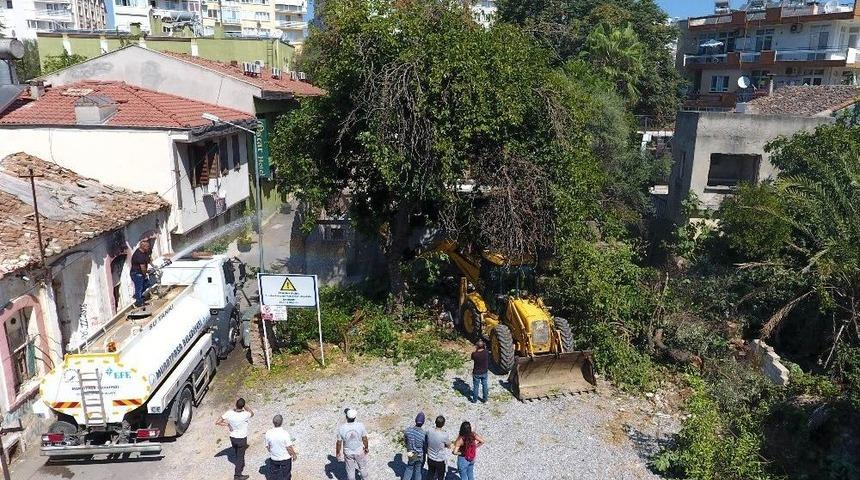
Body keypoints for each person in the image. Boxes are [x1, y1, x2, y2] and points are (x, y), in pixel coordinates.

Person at [216, 397, 255, 480]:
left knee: (237, 452)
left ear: (236, 404)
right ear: (243, 406)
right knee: (240, 457)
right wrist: (245, 406)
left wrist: (227, 424)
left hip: (233, 437)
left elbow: (218, 422)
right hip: (241, 438)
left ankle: (238, 461)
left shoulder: (229, 413)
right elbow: (252, 413)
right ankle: (237, 475)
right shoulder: (245, 414)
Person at [336, 408, 370, 480]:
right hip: (359, 451)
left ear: (346, 417)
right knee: (362, 467)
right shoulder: (360, 425)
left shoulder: (341, 428)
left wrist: (338, 452)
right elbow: (364, 438)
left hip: (348, 452)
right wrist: (366, 447)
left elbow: (339, 443)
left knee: (350, 470)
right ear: (355, 417)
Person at [265, 414, 298, 480]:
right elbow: (289, 448)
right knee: (286, 476)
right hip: (285, 458)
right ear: (282, 422)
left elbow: (268, 447)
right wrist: (294, 455)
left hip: (274, 458)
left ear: (273, 422)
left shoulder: (268, 433)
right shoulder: (285, 433)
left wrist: (273, 452)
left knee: (274, 476)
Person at [402, 412, 426, 480]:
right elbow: (425, 446)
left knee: (409, 467)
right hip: (419, 454)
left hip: (410, 453)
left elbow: (405, 441)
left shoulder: (407, 431)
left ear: (415, 420)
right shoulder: (423, 434)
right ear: (423, 422)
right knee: (418, 470)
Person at [425, 415, 450, 480]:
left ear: (435, 422)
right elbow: (448, 445)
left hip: (430, 457)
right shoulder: (444, 435)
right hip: (439, 459)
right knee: (440, 476)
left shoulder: (429, 431)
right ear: (443, 424)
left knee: (430, 473)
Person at [130, 239, 153, 307]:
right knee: (139, 287)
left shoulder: (145, 252)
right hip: (136, 274)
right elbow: (142, 268)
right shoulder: (139, 255)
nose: (148, 247)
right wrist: (145, 274)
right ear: (143, 246)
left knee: (147, 284)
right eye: (147, 246)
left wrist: (153, 266)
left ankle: (137, 296)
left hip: (141, 272)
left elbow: (148, 260)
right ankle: (138, 302)